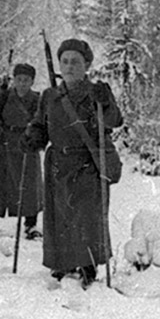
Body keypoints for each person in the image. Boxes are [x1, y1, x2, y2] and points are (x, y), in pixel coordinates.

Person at [22, 38, 124, 289]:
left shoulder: (96, 91)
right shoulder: (49, 95)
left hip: (87, 164)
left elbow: (114, 121)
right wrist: (33, 136)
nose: (69, 66)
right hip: (58, 164)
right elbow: (40, 125)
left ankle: (88, 265)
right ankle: (62, 263)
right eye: (65, 61)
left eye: (75, 62)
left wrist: (106, 102)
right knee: (60, 216)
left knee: (87, 216)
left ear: (87, 64)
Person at [0, 63, 44, 239]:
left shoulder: (37, 100)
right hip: (4, 144)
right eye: (19, 79)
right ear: (14, 80)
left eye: (26, 80)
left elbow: (42, 122)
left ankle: (30, 225)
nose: (22, 83)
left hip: (27, 144)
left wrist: (35, 135)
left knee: (30, 186)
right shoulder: (3, 97)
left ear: (32, 82)